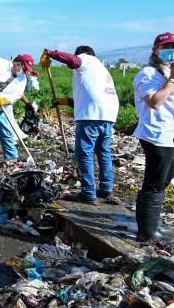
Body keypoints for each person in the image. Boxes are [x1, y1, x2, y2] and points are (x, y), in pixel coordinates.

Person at [41, 46, 119, 205]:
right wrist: (64, 102)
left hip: (91, 116)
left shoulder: (86, 60)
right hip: (108, 115)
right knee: (103, 152)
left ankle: (88, 193)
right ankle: (105, 189)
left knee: (84, 153)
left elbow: (72, 60)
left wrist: (50, 53)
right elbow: (91, 96)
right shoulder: (100, 68)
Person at [132, 32, 174, 243]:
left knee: (164, 180)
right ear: (155, 50)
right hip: (156, 134)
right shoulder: (147, 73)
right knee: (154, 181)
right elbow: (155, 102)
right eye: (166, 46)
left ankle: (152, 224)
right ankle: (146, 232)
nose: (171, 50)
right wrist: (172, 80)